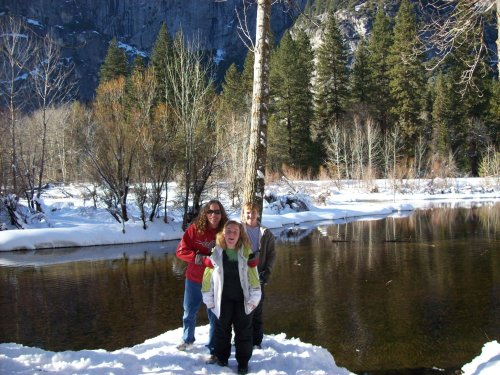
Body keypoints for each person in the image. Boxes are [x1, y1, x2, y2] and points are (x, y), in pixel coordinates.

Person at [202, 220, 261, 375]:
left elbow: (254, 277)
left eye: (235, 232)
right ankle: (222, 359)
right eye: (229, 231)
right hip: (223, 300)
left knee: (244, 332)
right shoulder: (216, 252)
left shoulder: (247, 252)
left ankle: (243, 363)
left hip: (243, 300)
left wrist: (255, 297)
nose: (232, 234)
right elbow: (207, 277)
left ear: (240, 234)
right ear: (223, 233)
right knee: (222, 331)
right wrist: (208, 298)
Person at [175, 199, 228, 353]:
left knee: (214, 315)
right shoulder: (194, 229)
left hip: (215, 281)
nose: (214, 215)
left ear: (221, 214)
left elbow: (235, 249)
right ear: (205, 213)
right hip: (194, 279)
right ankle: (187, 340)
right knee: (189, 311)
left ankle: (213, 348)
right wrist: (202, 259)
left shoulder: (225, 230)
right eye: (210, 211)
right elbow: (181, 252)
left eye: (217, 212)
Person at [242, 201, 276, 349]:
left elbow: (271, 255)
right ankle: (242, 339)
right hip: (242, 277)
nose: (251, 215)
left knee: (257, 310)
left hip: (259, 276)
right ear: (244, 214)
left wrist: (266, 274)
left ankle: (257, 341)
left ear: (258, 214)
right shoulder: (237, 230)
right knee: (241, 310)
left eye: (253, 212)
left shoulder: (266, 233)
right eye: (248, 212)